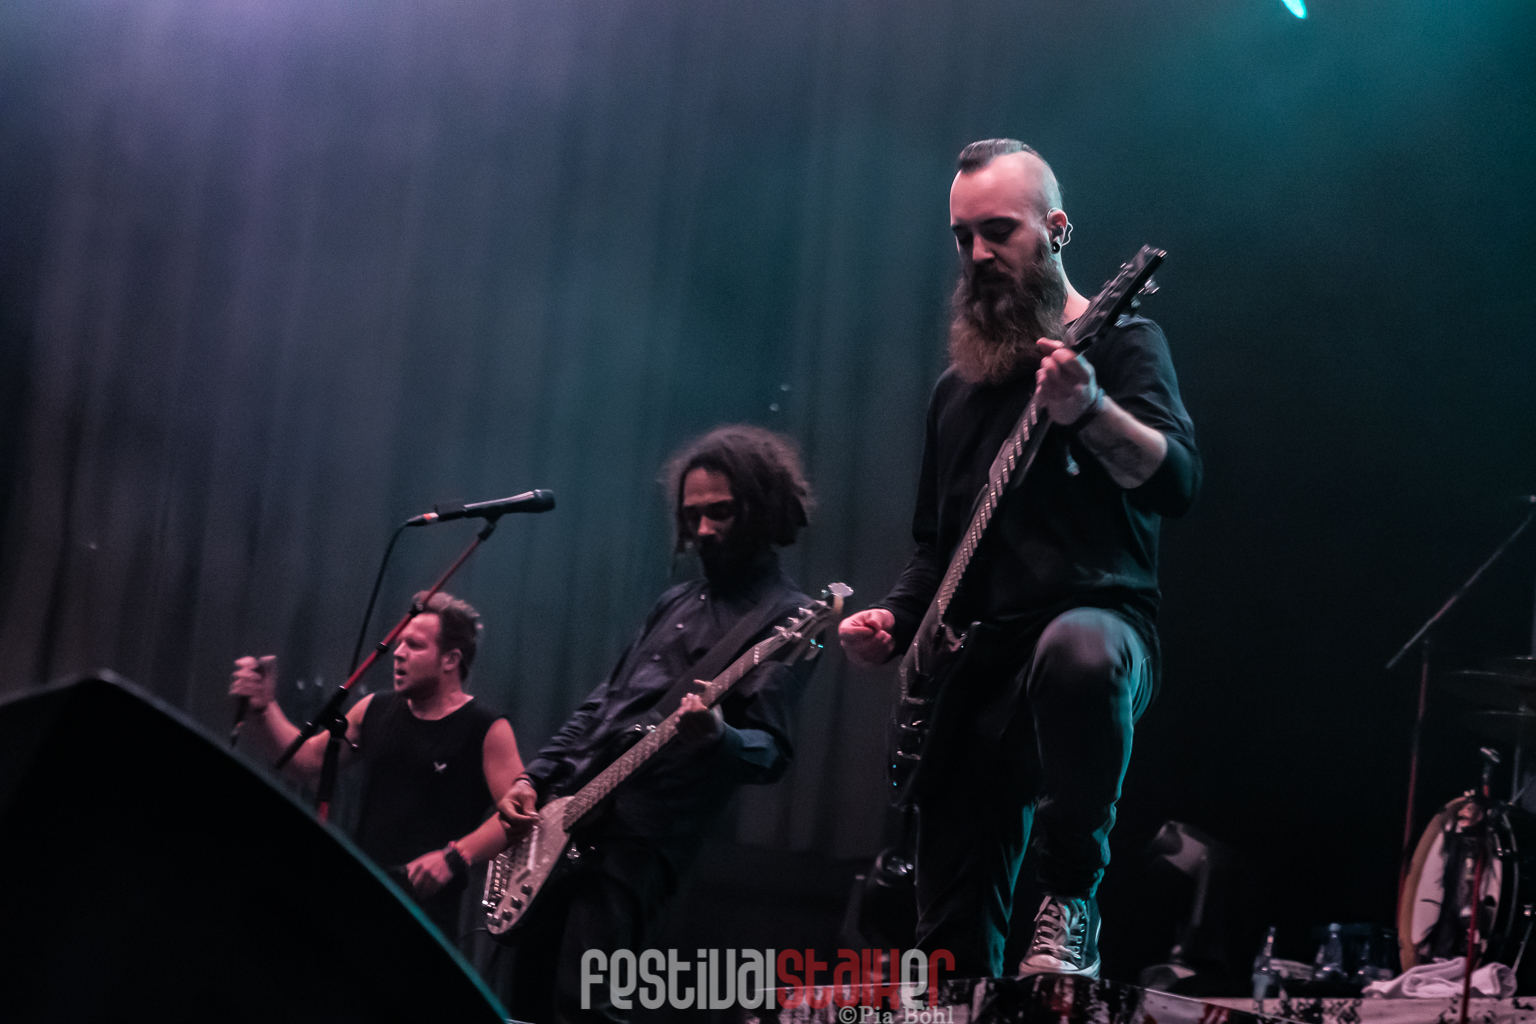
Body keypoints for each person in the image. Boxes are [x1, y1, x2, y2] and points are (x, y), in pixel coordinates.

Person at [838, 139, 1201, 980]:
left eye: (997, 231)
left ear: (1057, 229)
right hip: (977, 665)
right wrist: (895, 618)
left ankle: (1071, 898)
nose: (977, 254)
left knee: (1078, 649)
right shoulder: (954, 393)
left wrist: (1090, 411)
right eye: (961, 237)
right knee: (944, 964)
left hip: (1098, 636)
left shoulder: (1124, 345)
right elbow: (936, 548)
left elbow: (1177, 483)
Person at [492, 424, 819, 1024]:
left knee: (585, 1008)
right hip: (565, 820)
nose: (703, 530)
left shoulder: (787, 618)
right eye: (692, 516)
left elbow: (769, 751)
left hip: (639, 846)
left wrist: (719, 737)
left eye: (720, 512)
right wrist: (533, 778)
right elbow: (601, 706)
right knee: (515, 1000)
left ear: (762, 507)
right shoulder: (675, 602)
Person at [229, 589, 537, 940]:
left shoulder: (485, 727)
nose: (398, 653)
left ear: (450, 660)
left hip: (427, 919)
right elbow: (304, 761)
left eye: (414, 645)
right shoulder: (374, 709)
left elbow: (518, 816)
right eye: (400, 643)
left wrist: (455, 857)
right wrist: (263, 708)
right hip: (362, 899)